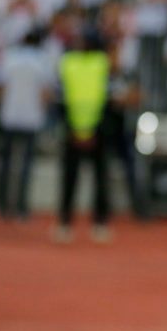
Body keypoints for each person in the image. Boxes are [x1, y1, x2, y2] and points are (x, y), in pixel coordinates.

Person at [56, 28, 112, 243]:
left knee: (99, 179)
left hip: (95, 128)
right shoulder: (71, 62)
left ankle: (99, 221)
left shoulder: (98, 62)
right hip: (75, 128)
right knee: (71, 178)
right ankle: (65, 222)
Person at [0, 28, 54, 220]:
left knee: (5, 162)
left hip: (9, 116)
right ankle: (21, 207)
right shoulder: (42, 60)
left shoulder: (9, 57)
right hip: (31, 118)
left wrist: (1, 108)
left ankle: (2, 205)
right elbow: (46, 93)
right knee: (26, 165)